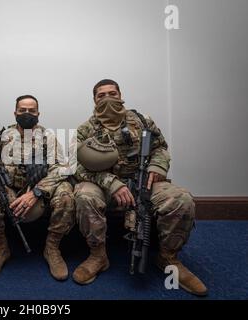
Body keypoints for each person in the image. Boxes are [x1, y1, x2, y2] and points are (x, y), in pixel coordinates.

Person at [72, 79, 207, 296]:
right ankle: (98, 255)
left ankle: (168, 257)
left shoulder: (143, 121)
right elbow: (76, 166)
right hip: (105, 185)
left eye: (112, 93)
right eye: (101, 95)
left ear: (120, 94)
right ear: (94, 99)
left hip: (144, 182)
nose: (107, 98)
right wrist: (111, 183)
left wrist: (156, 166)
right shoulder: (85, 130)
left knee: (181, 198)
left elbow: (161, 148)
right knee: (84, 196)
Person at [0, 95, 75, 280]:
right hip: (8, 188)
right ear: (15, 113)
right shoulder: (2, 137)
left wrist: (37, 192)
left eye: (31, 111)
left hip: (40, 189)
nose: (27, 114)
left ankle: (52, 248)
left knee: (66, 194)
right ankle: (1, 248)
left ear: (38, 114)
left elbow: (60, 169)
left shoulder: (48, 138)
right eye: (22, 110)